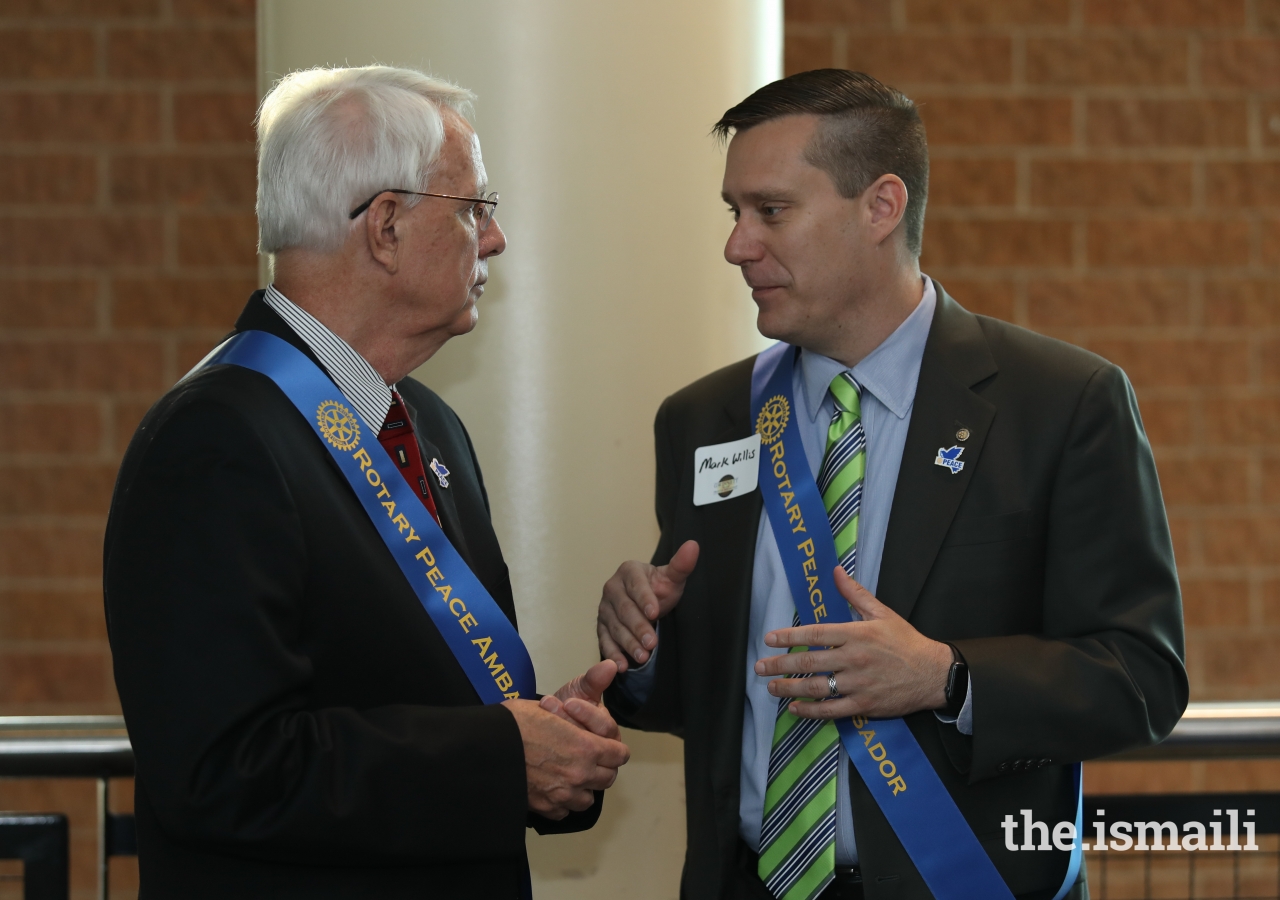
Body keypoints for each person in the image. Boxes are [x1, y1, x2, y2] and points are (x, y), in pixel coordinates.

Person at [597, 69, 1186, 900]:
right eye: (735, 214)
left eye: (771, 211)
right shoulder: (705, 419)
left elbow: (1141, 677)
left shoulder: (1059, 404)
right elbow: (712, 698)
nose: (737, 245)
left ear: (881, 207)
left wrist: (950, 678)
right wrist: (643, 647)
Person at [104, 65, 628, 898]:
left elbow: (416, 691)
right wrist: (497, 756)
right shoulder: (215, 439)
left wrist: (541, 742)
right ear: (385, 226)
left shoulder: (428, 422)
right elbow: (222, 770)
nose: (494, 240)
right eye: (474, 211)